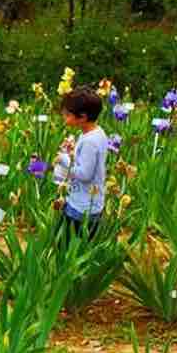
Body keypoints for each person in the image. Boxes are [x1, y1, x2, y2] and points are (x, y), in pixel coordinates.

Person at [55, 87, 107, 242]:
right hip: (85, 200)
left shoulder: (90, 141)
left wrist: (64, 159)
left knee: (66, 244)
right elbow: (86, 160)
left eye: (67, 114)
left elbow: (85, 174)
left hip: (82, 206)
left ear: (82, 117)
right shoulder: (95, 133)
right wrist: (72, 151)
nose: (64, 117)